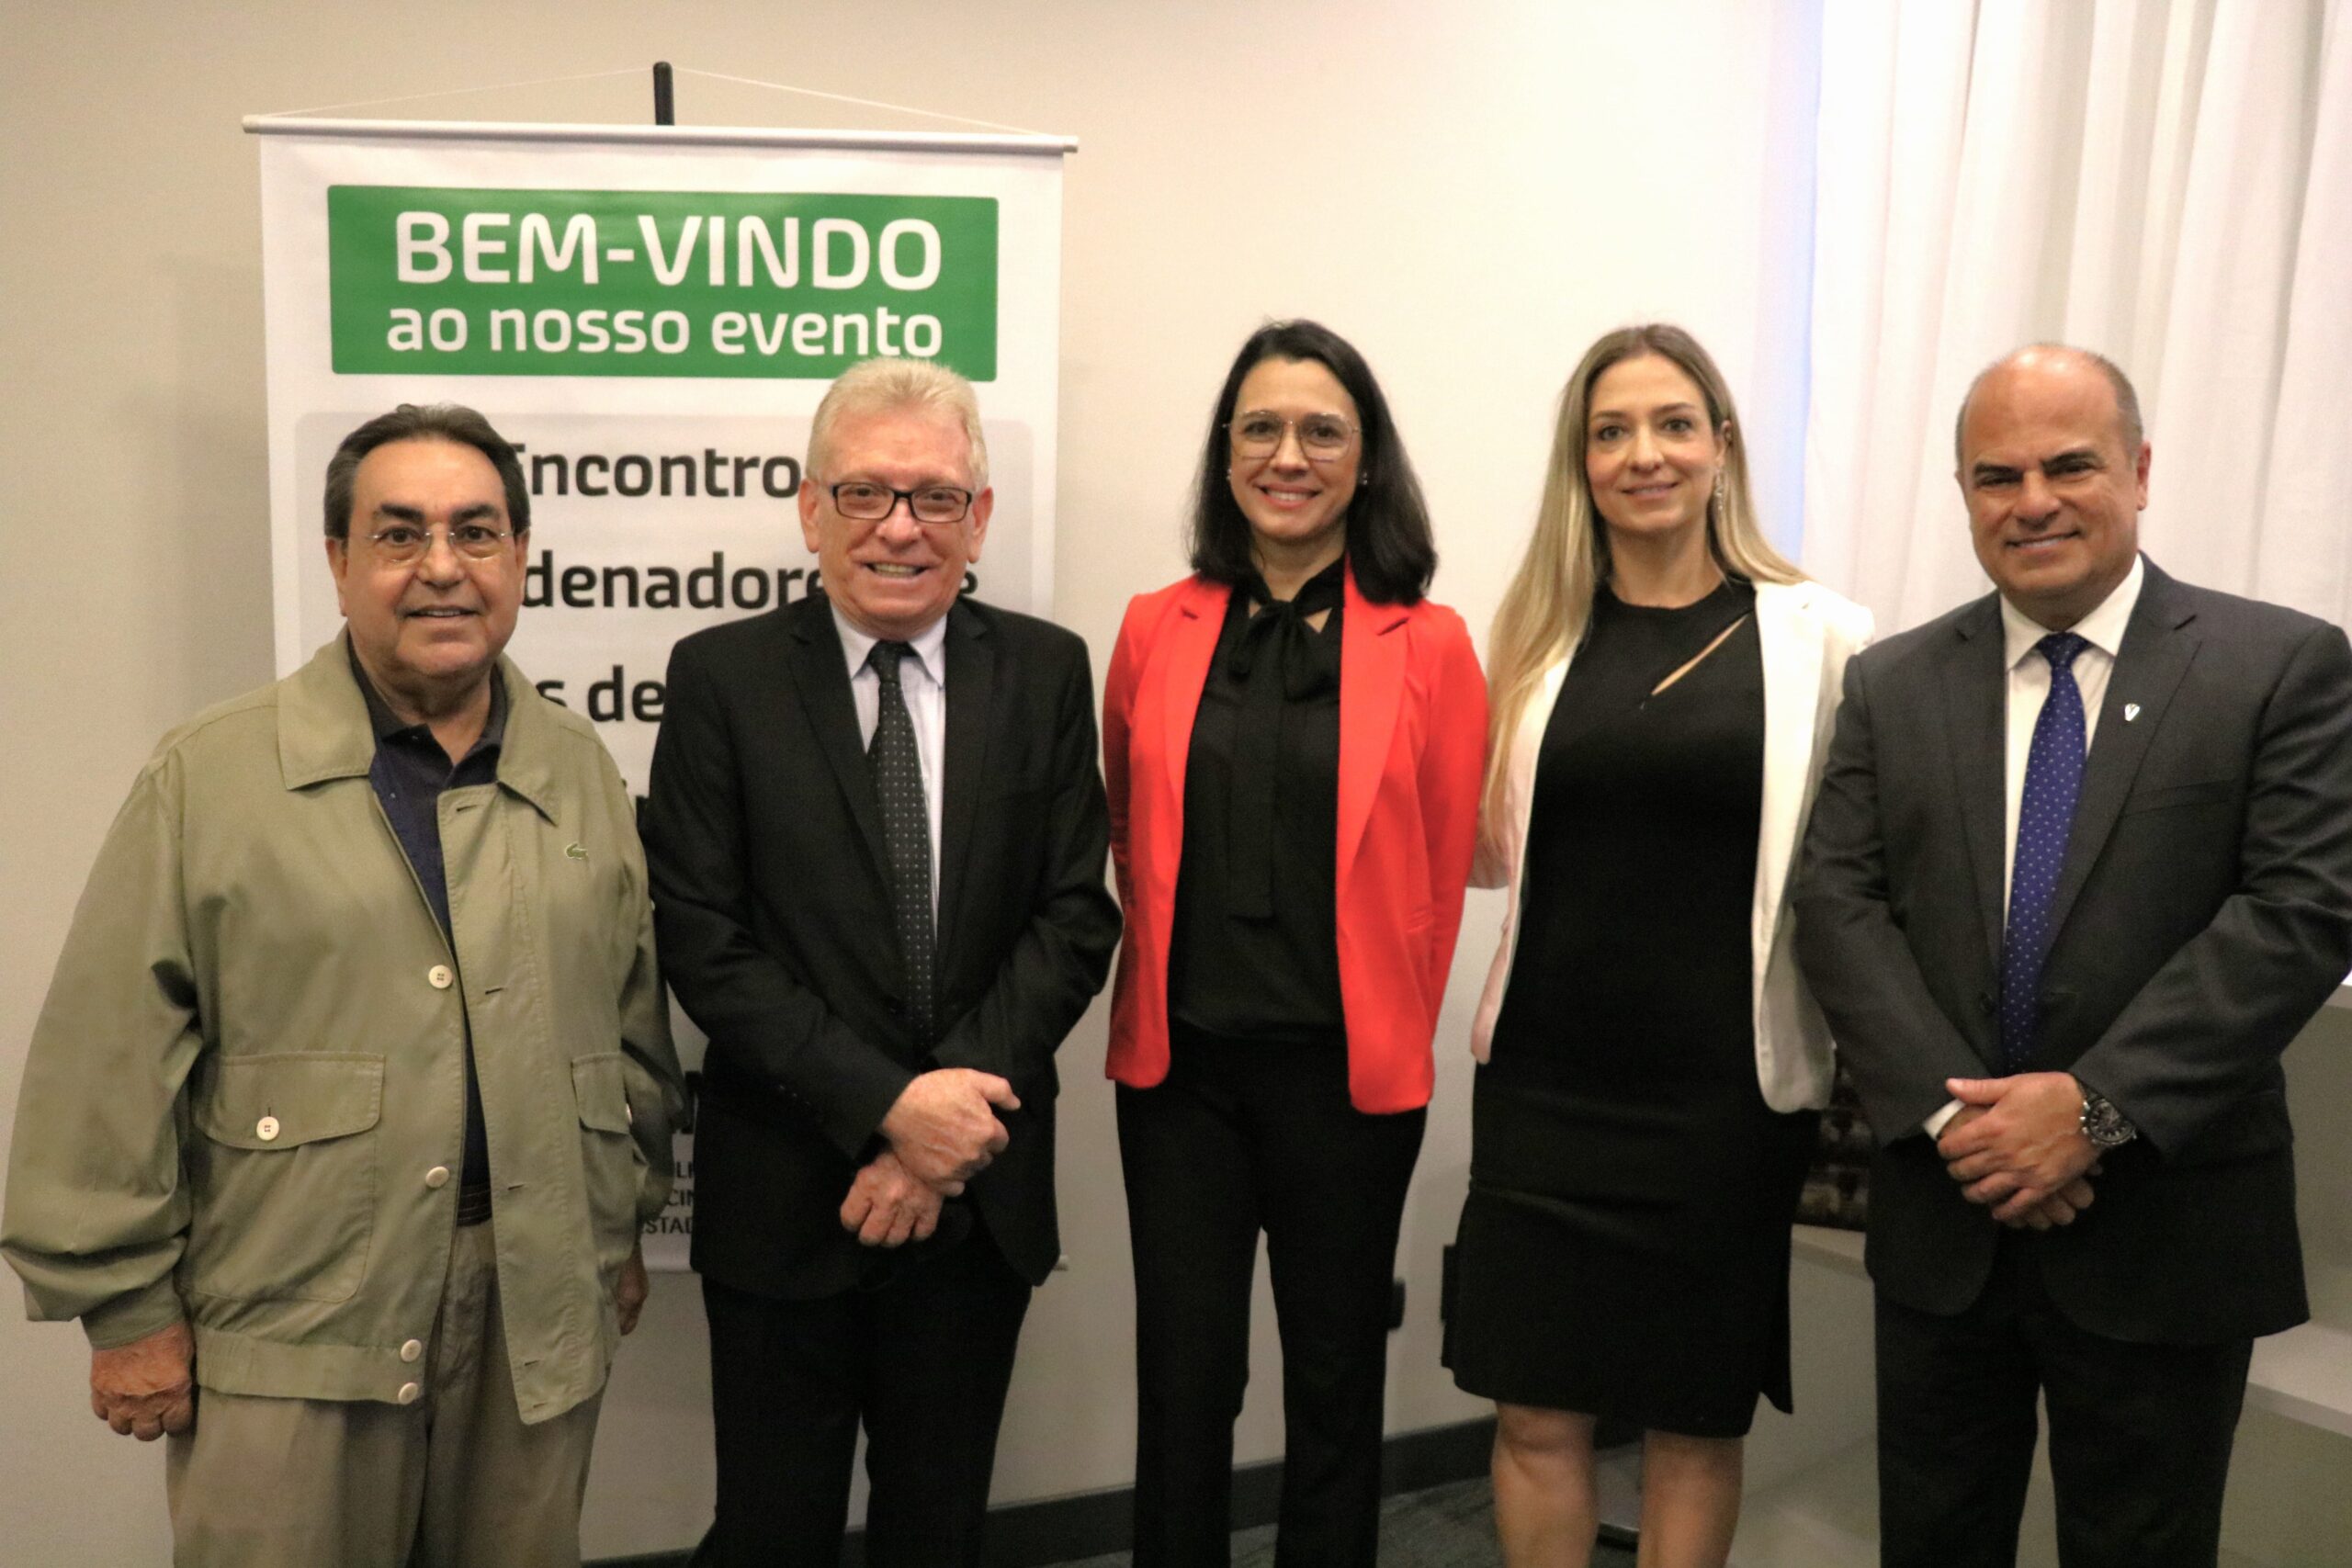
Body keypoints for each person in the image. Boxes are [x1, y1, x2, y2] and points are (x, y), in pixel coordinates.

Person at [0, 403, 685, 1568]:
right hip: (293, 1327)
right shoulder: (212, 774)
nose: (440, 570)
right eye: (398, 534)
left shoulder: (577, 771)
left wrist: (613, 1228)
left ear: (520, 555)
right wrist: (122, 1307)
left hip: (532, 1317)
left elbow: (626, 1031)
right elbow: (106, 1052)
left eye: (476, 533)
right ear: (339, 561)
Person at [1793, 344, 2352, 1568]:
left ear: (2141, 471)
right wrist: (1968, 1125)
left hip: (2164, 1224)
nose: (2032, 498)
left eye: (2070, 464)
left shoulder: (2281, 665)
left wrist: (2090, 1108)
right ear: (1963, 491)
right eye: (1997, 474)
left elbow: (2301, 911)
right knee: (1933, 1539)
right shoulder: (1893, 683)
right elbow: (1835, 902)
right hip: (1950, 1217)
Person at [643, 356, 1120, 1568]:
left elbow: (1073, 917)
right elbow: (707, 939)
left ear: (980, 516)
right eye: (864, 493)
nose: (901, 527)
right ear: (810, 509)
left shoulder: (1049, 671)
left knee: (938, 1526)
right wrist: (893, 1109)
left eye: (936, 497)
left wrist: (944, 1121)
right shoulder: (722, 678)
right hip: (789, 1186)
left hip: (977, 1195)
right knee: (770, 1529)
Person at [1444, 323, 1874, 1568]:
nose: (1646, 453)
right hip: (1543, 1081)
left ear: (1722, 447)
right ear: (1580, 464)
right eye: (1613, 430)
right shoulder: (1529, 637)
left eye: (1674, 423)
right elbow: (1476, 853)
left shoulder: (1822, 636)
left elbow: (1862, 866)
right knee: (1533, 1407)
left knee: (1692, 1414)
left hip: (1721, 1095)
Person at [1102, 319, 1487, 1565]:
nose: (1289, 454)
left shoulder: (1429, 643)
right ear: (1226, 455)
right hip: (1182, 1076)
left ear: (1366, 459)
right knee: (1183, 1381)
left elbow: (1437, 875)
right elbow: (1127, 826)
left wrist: (1389, 1029)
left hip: (1346, 1081)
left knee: (1333, 1386)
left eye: (1322, 429)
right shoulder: (1154, 625)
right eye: (1260, 427)